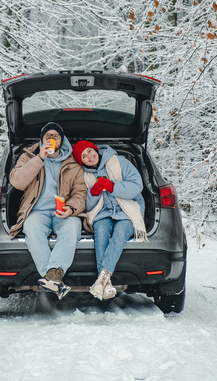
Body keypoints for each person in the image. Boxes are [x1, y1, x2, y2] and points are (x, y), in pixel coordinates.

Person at [9, 122, 87, 299]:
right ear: (42, 140)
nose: (51, 139)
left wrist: (71, 208)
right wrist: (39, 159)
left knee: (72, 227)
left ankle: (51, 278)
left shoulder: (73, 161)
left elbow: (81, 193)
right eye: (47, 137)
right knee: (32, 228)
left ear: (62, 139)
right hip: (37, 212)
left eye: (55, 136)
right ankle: (53, 278)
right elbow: (17, 181)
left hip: (64, 212)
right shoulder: (29, 156)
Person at [72, 140, 148, 301]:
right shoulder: (85, 175)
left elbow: (137, 186)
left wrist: (112, 186)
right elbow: (88, 206)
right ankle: (105, 284)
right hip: (103, 212)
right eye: (84, 156)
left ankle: (102, 280)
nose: (89, 157)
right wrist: (94, 192)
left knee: (120, 232)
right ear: (81, 161)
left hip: (127, 211)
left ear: (95, 149)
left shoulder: (120, 162)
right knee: (101, 232)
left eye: (89, 151)